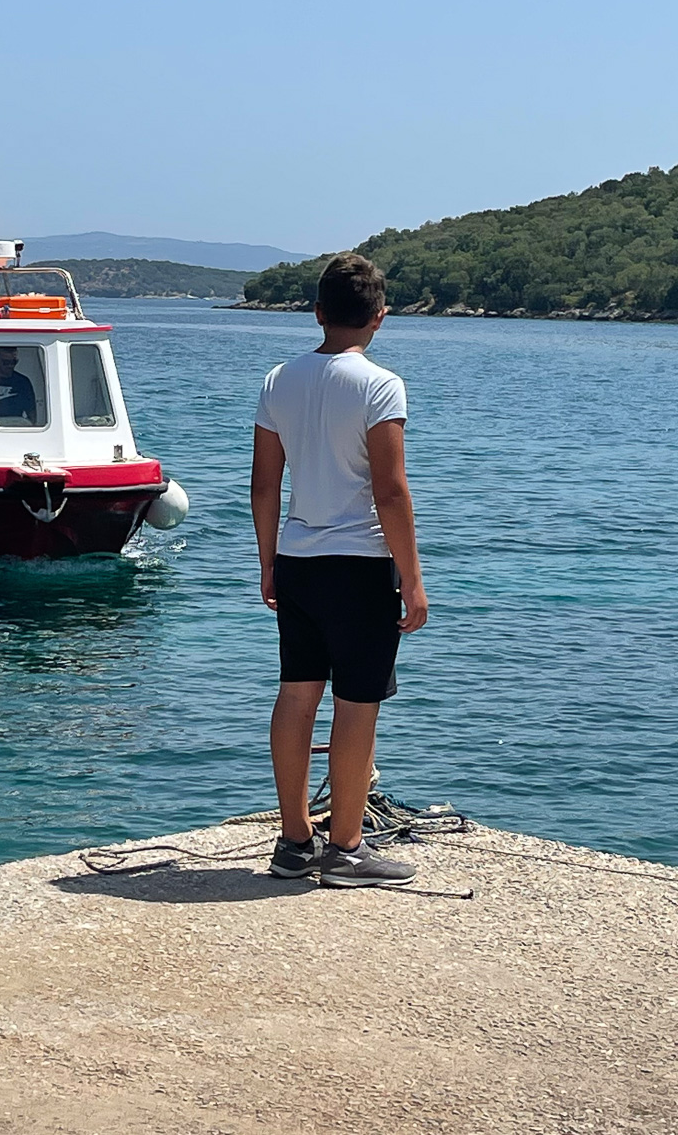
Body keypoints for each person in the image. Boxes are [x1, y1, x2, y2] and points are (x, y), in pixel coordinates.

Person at [251, 252, 428, 888]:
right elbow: (391, 491)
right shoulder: (381, 386)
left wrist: (268, 559)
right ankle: (346, 848)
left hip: (298, 560)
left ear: (318, 312)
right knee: (357, 704)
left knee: (297, 693)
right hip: (359, 567)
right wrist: (411, 577)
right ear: (380, 318)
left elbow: (264, 483)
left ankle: (294, 841)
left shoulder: (279, 380)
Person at [0, 347, 37, 424]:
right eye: (6, 362)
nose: (10, 366)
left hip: (15, 427)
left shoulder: (23, 382)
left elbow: (31, 413)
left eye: (13, 362)